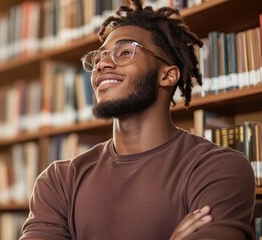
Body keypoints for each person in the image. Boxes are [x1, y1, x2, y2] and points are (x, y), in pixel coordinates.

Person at [20, 0, 256, 239]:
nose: (102, 64)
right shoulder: (59, 181)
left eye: (124, 52)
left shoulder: (217, 168)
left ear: (167, 75)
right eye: (98, 58)